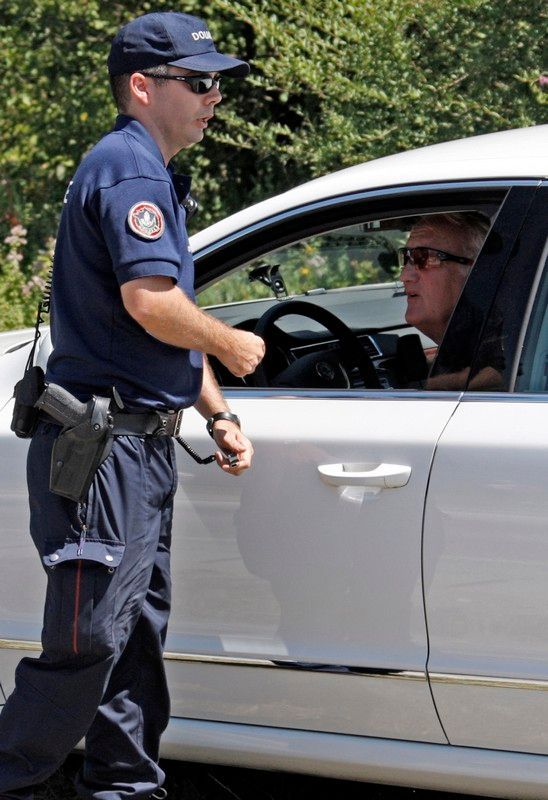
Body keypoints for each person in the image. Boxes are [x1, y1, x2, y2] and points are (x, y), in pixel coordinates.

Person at [0, 12, 264, 800]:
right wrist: (230, 345)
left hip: (136, 445)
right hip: (105, 450)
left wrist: (214, 410)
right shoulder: (132, 170)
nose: (214, 96)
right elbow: (151, 303)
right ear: (143, 87)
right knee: (89, 641)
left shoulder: (150, 170)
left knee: (133, 639)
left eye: (218, 81)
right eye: (199, 81)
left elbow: (158, 320)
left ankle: (126, 787)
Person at [398, 211, 503, 389]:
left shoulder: (506, 335)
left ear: (476, 272)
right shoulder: (464, 341)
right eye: (406, 257)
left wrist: (431, 388)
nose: (404, 276)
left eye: (424, 257)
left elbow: (504, 372)